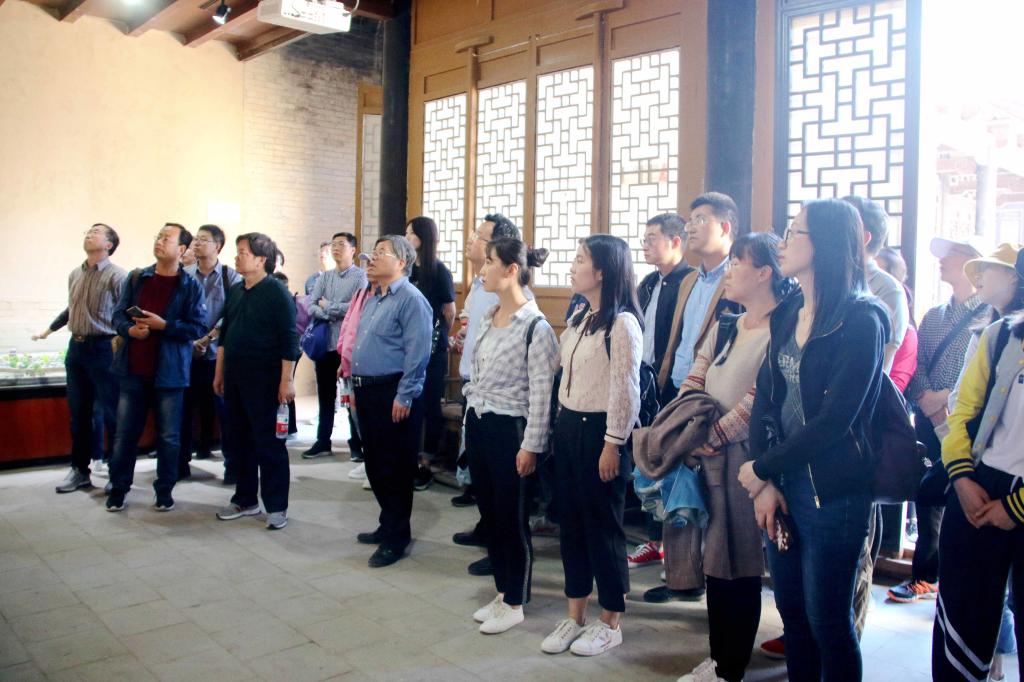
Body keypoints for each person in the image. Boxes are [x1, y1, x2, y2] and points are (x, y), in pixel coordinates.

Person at [739, 199, 889, 682]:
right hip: (781, 484)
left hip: (833, 493)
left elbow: (834, 422)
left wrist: (761, 469)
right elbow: (766, 398)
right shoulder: (789, 312)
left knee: (828, 620)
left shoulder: (862, 320)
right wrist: (765, 480)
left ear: (825, 243)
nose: (783, 243)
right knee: (794, 617)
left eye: (794, 234)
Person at [676, 232, 790, 682]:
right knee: (714, 560)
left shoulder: (782, 330)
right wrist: (692, 431)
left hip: (746, 461)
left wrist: (715, 435)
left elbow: (761, 398)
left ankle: (730, 667)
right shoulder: (728, 323)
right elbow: (694, 378)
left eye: (738, 263)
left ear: (764, 273)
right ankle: (716, 656)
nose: (729, 271)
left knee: (739, 563)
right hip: (706, 453)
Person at [540, 234, 642, 657]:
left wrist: (612, 443)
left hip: (601, 432)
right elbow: (559, 368)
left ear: (601, 271)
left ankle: (610, 621)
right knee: (572, 525)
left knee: (604, 529)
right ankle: (575, 615)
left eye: (580, 259)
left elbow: (626, 390)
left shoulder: (623, 324)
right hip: (568, 428)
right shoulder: (582, 317)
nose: (572, 266)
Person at [648, 192, 743, 605]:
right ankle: (682, 578)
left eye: (701, 219)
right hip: (680, 391)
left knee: (715, 495)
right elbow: (678, 338)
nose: (690, 227)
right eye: (690, 220)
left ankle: (714, 577)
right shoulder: (689, 279)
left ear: (725, 227)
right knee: (679, 486)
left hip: (717, 400)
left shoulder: (737, 278)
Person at [933, 250, 1024, 681]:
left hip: (1014, 501)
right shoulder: (1001, 335)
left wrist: (1016, 508)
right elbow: (962, 413)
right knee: (961, 625)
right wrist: (962, 477)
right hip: (980, 487)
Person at [888, 236, 991, 604]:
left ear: (974, 262)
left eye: (952, 254)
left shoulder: (989, 316)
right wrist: (928, 401)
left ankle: (958, 579)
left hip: (965, 421)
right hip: (927, 417)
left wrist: (946, 399)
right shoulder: (934, 315)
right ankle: (924, 576)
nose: (943, 260)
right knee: (928, 492)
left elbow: (977, 376)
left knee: (963, 492)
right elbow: (917, 365)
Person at [465, 238, 557, 635]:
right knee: (490, 515)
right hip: (480, 422)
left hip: (511, 430)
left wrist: (531, 446)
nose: (482, 269)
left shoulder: (536, 326)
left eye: (489, 262)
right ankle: (502, 592)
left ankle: (516, 600)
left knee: (512, 518)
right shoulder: (490, 316)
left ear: (511, 270)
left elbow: (541, 395)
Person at [106, 223, 207, 512]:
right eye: (158, 237)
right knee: (125, 435)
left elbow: (197, 327)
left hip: (170, 374)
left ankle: (164, 491)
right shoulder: (138, 278)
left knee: (169, 437)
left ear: (182, 249)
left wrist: (164, 325)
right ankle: (118, 489)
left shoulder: (190, 286)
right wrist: (129, 330)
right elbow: (117, 315)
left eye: (167, 238)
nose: (160, 241)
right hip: (133, 370)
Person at [451, 213, 529, 578]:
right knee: (482, 477)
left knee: (503, 489)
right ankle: (489, 533)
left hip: (503, 406)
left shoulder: (520, 305)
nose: (472, 240)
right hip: (475, 389)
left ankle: (505, 562)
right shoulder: (482, 287)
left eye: (481, 237)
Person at [351, 235, 432, 568]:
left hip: (393, 392)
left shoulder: (411, 300)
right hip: (367, 390)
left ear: (401, 262)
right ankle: (387, 524)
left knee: (394, 468)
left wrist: (405, 394)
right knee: (374, 462)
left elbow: (418, 352)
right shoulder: (374, 297)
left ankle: (397, 538)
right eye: (374, 251)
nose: (372, 257)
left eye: (381, 253)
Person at [213, 233, 299, 530]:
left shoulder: (276, 293)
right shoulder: (237, 290)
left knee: (269, 444)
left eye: (243, 252)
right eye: (237, 252)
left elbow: (290, 340)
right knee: (239, 441)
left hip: (265, 380)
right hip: (235, 378)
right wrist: (219, 372)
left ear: (262, 259)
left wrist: (287, 381)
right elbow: (225, 335)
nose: (237, 257)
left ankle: (276, 506)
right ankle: (245, 499)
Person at [627, 213, 693, 570]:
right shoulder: (650, 282)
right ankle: (653, 539)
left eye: (652, 238)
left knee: (668, 463)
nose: (645, 245)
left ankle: (666, 545)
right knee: (646, 458)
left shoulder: (689, 282)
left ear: (675, 241)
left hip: (672, 385)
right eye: (645, 238)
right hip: (644, 382)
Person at [40, 224, 127, 493]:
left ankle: (117, 474)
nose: (90, 234)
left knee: (112, 414)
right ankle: (80, 471)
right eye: (89, 231)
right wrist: (49, 330)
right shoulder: (75, 274)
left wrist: (121, 347)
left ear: (109, 245)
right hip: (76, 349)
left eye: (97, 232)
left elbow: (125, 314)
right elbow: (71, 308)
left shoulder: (118, 276)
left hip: (104, 349)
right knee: (79, 415)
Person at [179, 224, 241, 482]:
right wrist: (191, 340)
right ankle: (180, 465)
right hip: (187, 354)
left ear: (218, 246)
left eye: (203, 239)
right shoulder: (184, 275)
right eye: (196, 239)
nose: (197, 243)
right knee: (183, 412)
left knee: (226, 414)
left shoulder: (231, 277)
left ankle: (233, 467)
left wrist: (206, 339)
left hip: (218, 356)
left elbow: (233, 314)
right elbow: (178, 311)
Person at [302, 232, 367, 459]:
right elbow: (311, 305)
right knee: (325, 396)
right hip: (325, 344)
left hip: (348, 346)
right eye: (334, 244)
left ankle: (356, 444)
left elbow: (357, 307)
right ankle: (323, 441)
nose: (336, 248)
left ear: (353, 250)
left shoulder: (360, 277)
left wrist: (328, 306)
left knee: (351, 397)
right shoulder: (325, 277)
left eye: (341, 244)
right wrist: (332, 311)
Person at [405, 216, 456, 490]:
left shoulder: (438, 270)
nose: (406, 238)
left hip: (432, 350)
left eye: (410, 234)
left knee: (429, 405)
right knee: (410, 403)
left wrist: (439, 337)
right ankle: (409, 458)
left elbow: (449, 311)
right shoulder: (407, 270)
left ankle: (426, 463)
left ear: (423, 237)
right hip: (407, 348)